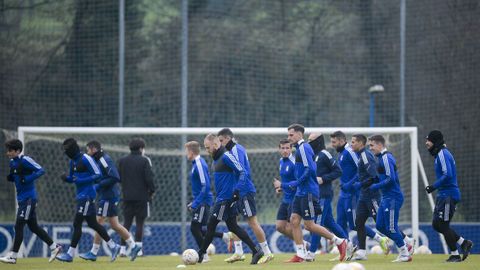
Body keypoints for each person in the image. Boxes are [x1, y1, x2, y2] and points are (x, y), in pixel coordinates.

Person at [275, 124, 347, 263]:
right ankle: (300, 254)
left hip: (308, 191)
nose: (289, 138)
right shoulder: (299, 149)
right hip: (300, 192)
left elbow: (310, 170)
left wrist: (291, 184)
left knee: (309, 225)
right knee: (294, 221)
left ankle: (339, 241)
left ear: (299, 134)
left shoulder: (304, 148)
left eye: (291, 135)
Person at [197, 134, 264, 264]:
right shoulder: (216, 159)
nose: (207, 150)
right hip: (222, 198)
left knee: (211, 225)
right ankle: (256, 250)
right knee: (233, 227)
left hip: (226, 199)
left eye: (207, 147)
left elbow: (243, 172)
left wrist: (237, 191)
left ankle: (201, 253)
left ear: (216, 145)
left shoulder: (226, 156)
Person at [56, 138, 120, 263]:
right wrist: (66, 179)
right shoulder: (72, 162)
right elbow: (73, 179)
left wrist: (81, 181)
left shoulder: (86, 158)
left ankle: (70, 254)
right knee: (93, 224)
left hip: (87, 195)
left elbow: (98, 175)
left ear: (73, 149)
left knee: (77, 223)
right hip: (80, 196)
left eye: (68, 150)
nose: (66, 153)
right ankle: (114, 246)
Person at [330, 131, 392, 259]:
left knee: (357, 224)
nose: (332, 144)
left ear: (342, 141)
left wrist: (355, 184)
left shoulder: (351, 153)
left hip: (354, 193)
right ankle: (347, 250)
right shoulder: (342, 154)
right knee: (341, 222)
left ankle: (387, 240)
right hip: (344, 193)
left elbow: (362, 172)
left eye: (334, 142)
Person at [217, 128, 273, 264]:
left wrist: (238, 189)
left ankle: (267, 252)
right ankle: (239, 252)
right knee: (233, 222)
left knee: (252, 222)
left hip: (244, 191)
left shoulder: (237, 149)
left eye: (221, 140)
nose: (219, 144)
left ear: (228, 138)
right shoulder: (229, 151)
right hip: (235, 191)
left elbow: (243, 171)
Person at [0, 139, 61, 264]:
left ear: (17, 151)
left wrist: (28, 178)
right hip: (22, 200)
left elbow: (41, 170)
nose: (8, 153)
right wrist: (12, 178)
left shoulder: (25, 160)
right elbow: (17, 177)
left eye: (10, 151)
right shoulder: (12, 162)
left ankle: (13, 256)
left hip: (29, 199)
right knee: (33, 227)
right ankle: (54, 247)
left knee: (19, 226)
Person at [79, 140, 141, 262]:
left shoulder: (103, 159)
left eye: (88, 150)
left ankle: (94, 252)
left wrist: (98, 186)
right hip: (107, 196)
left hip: (108, 196)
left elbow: (115, 177)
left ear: (93, 149)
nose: (87, 152)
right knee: (115, 225)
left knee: (98, 223)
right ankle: (134, 246)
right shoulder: (97, 160)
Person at [425, 130, 473, 262]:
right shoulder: (439, 155)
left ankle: (455, 254)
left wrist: (433, 186)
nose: (426, 143)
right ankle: (464, 243)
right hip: (443, 195)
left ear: (435, 141)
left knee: (444, 225)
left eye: (428, 140)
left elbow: (448, 175)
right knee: (436, 224)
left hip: (448, 195)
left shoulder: (442, 154)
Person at [184, 141, 231, 262]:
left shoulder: (199, 163)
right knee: (201, 229)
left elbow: (205, 186)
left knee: (194, 228)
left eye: (186, 151)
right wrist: (194, 201)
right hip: (200, 200)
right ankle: (224, 236)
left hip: (203, 201)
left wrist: (196, 203)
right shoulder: (196, 163)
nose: (186, 154)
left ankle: (203, 254)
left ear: (191, 151)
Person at [368, 135, 411, 262]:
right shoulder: (380, 158)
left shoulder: (386, 157)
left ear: (380, 145)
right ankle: (407, 243)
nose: (370, 148)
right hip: (386, 197)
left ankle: (405, 253)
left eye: (372, 145)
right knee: (380, 226)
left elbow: (390, 178)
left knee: (391, 227)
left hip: (393, 197)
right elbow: (383, 177)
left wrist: (376, 186)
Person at [305, 133, 347, 262]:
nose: (308, 142)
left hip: (324, 195)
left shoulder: (325, 154)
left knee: (316, 224)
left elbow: (338, 171)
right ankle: (349, 245)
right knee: (330, 223)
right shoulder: (312, 155)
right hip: (315, 194)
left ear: (317, 141)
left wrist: (323, 179)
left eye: (311, 140)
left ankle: (311, 254)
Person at [348, 134, 384, 261]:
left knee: (382, 224)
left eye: (353, 142)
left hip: (372, 196)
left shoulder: (365, 155)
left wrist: (360, 184)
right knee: (358, 222)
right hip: (364, 196)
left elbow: (374, 177)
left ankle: (406, 242)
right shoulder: (360, 156)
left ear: (361, 144)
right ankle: (362, 252)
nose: (351, 144)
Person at [118, 138, 156, 257]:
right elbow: (149, 178)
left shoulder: (122, 161)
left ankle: (122, 250)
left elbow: (119, 177)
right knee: (140, 223)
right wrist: (152, 191)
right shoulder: (145, 160)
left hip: (127, 196)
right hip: (142, 197)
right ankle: (139, 251)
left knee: (126, 223)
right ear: (141, 148)